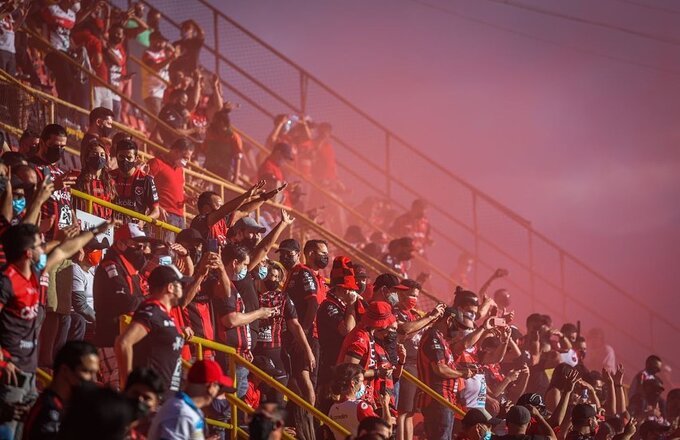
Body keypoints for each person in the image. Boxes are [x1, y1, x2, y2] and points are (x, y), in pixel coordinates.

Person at [0, 221, 108, 438]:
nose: (45, 248)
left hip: (28, 372)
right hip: (9, 376)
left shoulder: (33, 275)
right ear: (28, 253)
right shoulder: (6, 281)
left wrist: (94, 231)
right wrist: (2, 361)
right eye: (41, 245)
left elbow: (63, 250)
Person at [115, 265, 192, 393]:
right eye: (181, 285)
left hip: (165, 394)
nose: (183, 289)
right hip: (151, 396)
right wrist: (127, 386)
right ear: (170, 287)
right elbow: (123, 343)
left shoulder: (162, 313)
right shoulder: (150, 311)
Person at [213, 243, 275, 398]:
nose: (248, 269)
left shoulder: (232, 285)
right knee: (225, 405)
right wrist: (260, 313)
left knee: (235, 399)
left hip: (240, 354)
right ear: (235, 263)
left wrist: (245, 348)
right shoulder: (221, 285)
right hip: (229, 356)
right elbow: (231, 320)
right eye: (245, 265)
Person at [93, 223, 148, 389]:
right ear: (121, 243)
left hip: (128, 339)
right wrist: (150, 301)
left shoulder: (128, 268)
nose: (141, 247)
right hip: (112, 339)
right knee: (117, 390)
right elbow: (126, 301)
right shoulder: (110, 265)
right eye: (136, 243)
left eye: (142, 244)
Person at [394, 279, 445, 440]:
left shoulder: (414, 314)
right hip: (404, 363)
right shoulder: (394, 312)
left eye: (416, 296)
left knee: (409, 413)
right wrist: (430, 318)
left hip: (416, 366)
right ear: (401, 294)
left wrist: (432, 319)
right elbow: (405, 330)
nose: (414, 299)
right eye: (411, 295)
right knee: (402, 412)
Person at [416, 306, 476, 440]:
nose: (459, 330)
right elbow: (439, 369)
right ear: (449, 320)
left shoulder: (441, 339)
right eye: (457, 326)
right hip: (437, 399)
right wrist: (462, 373)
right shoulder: (433, 336)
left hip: (446, 400)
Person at [22, 341, 99, 440]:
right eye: (86, 371)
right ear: (65, 370)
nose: (91, 379)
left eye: (94, 373)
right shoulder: (48, 411)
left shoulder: (67, 406)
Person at [283, 238, 330, 402]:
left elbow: (315, 304)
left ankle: (307, 421)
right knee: (302, 379)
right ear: (310, 253)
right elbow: (312, 304)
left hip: (312, 335)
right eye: (323, 253)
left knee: (308, 380)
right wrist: (303, 332)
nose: (326, 257)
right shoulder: (303, 272)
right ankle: (304, 422)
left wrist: (304, 332)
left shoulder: (316, 277)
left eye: (327, 254)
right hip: (306, 334)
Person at [254, 260, 314, 387]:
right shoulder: (252, 295)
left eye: (277, 277)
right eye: (271, 275)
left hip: (276, 351)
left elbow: (295, 325)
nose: (274, 279)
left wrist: (307, 350)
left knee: (278, 399)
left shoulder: (282, 297)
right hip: (255, 352)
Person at [148, 359, 235, 440]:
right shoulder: (181, 414)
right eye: (219, 387)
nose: (218, 392)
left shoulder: (183, 408)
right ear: (211, 387)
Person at [316, 256, 363, 389]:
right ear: (342, 289)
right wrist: (351, 304)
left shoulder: (343, 305)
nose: (353, 292)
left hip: (343, 364)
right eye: (350, 289)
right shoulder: (328, 306)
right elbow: (348, 330)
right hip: (330, 364)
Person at [28, 124, 75, 241]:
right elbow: (25, 199)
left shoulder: (60, 173)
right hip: (39, 240)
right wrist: (53, 187)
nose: (59, 150)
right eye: (55, 146)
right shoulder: (29, 167)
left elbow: (68, 205)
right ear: (43, 143)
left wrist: (75, 231)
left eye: (63, 147)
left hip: (63, 245)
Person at [190, 180, 266, 246]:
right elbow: (224, 211)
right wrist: (245, 196)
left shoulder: (222, 221)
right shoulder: (200, 221)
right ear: (206, 208)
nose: (223, 208)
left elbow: (243, 211)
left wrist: (264, 198)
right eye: (219, 206)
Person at [147, 137, 194, 240]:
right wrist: (157, 206)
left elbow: (179, 191)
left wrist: (187, 198)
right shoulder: (156, 163)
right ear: (176, 151)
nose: (188, 161)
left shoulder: (180, 170)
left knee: (178, 252)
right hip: (166, 215)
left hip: (180, 217)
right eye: (185, 157)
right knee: (166, 250)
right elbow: (145, 186)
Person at [327, 363, 388, 440]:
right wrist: (385, 405)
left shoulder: (332, 410)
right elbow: (384, 430)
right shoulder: (360, 406)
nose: (362, 385)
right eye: (361, 381)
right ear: (353, 383)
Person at [111, 138, 160, 223]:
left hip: (136, 229)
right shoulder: (109, 176)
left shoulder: (146, 180)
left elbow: (156, 211)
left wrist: (143, 221)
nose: (124, 160)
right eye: (121, 157)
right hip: (112, 226)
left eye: (129, 157)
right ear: (116, 156)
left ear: (136, 158)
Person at [73, 138, 116, 219]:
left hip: (104, 226)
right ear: (87, 157)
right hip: (83, 223)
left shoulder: (110, 182)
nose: (99, 157)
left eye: (102, 155)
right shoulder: (78, 179)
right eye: (94, 154)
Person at [203, 107, 243, 183]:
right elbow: (204, 150)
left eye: (215, 121)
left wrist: (235, 178)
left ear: (221, 122)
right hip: (209, 168)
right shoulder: (210, 134)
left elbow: (237, 158)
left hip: (224, 171)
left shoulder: (234, 137)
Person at [124, 367, 166, 440]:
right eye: (135, 393)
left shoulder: (161, 431)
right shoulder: (108, 421)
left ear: (156, 404)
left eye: (146, 398)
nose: (139, 400)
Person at [142, 31, 175, 116]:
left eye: (162, 42)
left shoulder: (162, 53)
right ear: (152, 41)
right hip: (152, 93)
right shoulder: (147, 55)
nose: (162, 44)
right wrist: (170, 59)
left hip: (162, 93)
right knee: (157, 120)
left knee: (162, 120)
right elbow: (155, 68)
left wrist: (167, 44)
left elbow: (174, 51)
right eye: (159, 41)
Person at [258, 142, 294, 207]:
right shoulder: (268, 165)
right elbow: (271, 183)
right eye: (285, 157)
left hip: (282, 207)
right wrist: (285, 185)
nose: (285, 161)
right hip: (271, 207)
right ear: (278, 153)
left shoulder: (278, 168)